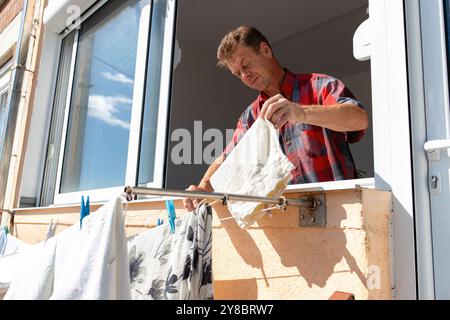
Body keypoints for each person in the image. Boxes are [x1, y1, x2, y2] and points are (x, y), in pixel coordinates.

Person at [183, 25, 369, 211]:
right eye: (238, 74)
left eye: (246, 65)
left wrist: (302, 112)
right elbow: (227, 157)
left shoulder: (320, 86)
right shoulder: (251, 116)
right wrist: (202, 188)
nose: (245, 76)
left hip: (340, 214)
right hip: (287, 221)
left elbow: (359, 118)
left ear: (265, 51)